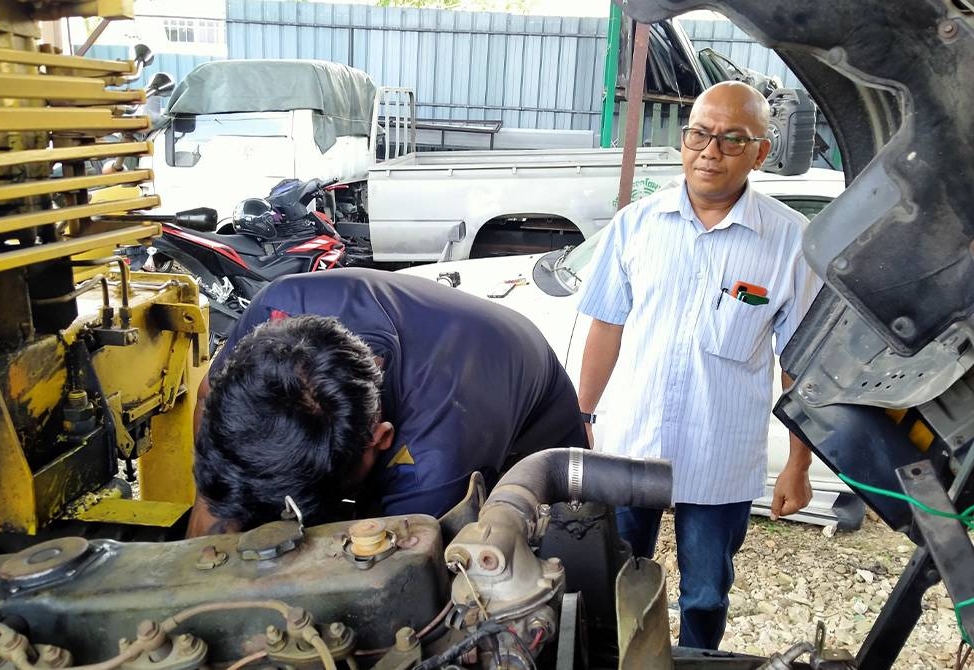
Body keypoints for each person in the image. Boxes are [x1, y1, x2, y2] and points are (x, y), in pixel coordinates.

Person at [576, 81, 821, 650]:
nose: (710, 151)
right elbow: (605, 326)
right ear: (684, 141)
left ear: (761, 152)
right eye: (700, 134)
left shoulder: (788, 241)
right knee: (614, 581)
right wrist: (581, 414)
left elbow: (799, 364)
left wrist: (800, 465)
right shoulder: (636, 225)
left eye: (732, 140)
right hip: (632, 448)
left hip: (721, 457)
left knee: (706, 595)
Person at [187, 267, 588, 536]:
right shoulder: (278, 310)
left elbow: (396, 574)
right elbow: (208, 400)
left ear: (380, 440)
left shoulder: (436, 458)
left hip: (524, 427)